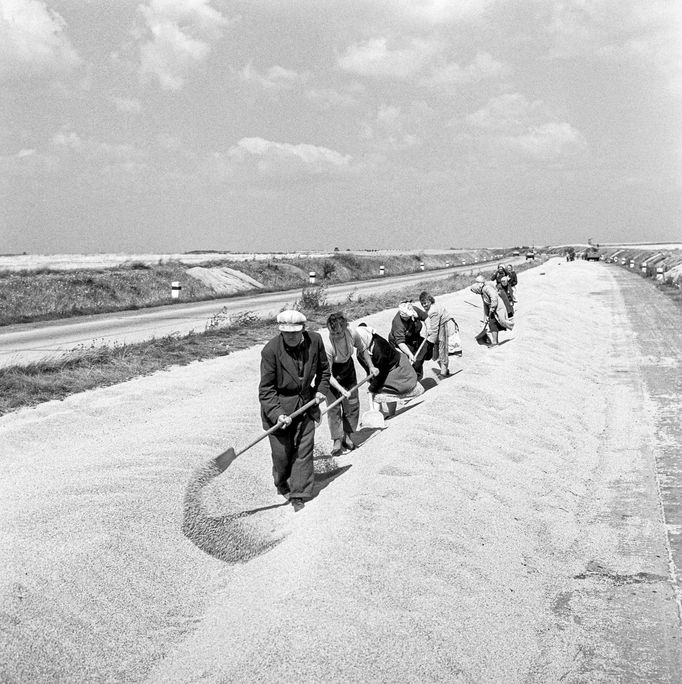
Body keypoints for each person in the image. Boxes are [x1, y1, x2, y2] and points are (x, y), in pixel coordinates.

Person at [258, 310, 330, 512]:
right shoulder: (270, 351)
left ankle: (299, 492)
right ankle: (282, 482)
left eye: (294, 333)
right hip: (280, 407)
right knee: (282, 455)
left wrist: (320, 391)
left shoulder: (315, 341)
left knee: (303, 450)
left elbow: (324, 370)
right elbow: (266, 389)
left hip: (307, 404)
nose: (290, 337)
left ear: (303, 330)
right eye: (286, 333)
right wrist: (278, 413)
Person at [323, 312, 377, 456]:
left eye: (339, 333)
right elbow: (328, 375)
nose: (335, 335)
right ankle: (337, 440)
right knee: (334, 408)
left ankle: (347, 435)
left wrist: (371, 366)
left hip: (348, 369)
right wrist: (341, 390)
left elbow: (362, 349)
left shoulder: (352, 333)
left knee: (352, 404)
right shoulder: (327, 345)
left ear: (345, 327)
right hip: (332, 374)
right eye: (332, 333)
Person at [362, 325, 424, 417]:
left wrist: (372, 388)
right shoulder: (360, 353)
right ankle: (379, 416)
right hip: (383, 370)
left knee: (385, 392)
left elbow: (382, 369)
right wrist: (370, 379)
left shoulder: (379, 346)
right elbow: (367, 367)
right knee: (378, 394)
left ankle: (391, 414)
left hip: (394, 369)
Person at [418, 291, 462, 377]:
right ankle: (445, 369)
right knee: (436, 354)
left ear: (430, 301)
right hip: (440, 327)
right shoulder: (429, 309)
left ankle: (443, 374)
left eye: (425, 303)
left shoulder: (433, 311)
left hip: (445, 327)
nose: (424, 305)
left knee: (443, 349)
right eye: (422, 303)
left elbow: (434, 330)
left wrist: (430, 343)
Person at [388, 300, 429, 380]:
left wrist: (429, 328)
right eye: (407, 316)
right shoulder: (398, 323)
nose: (409, 317)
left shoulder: (414, 309)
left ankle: (417, 375)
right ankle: (412, 379)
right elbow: (400, 342)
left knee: (425, 348)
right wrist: (410, 354)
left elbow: (425, 317)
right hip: (402, 343)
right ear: (403, 315)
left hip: (414, 337)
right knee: (412, 360)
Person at [470, 277, 513, 346]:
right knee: (492, 323)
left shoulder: (487, 288)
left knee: (499, 322)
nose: (476, 293)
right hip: (492, 309)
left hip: (498, 307)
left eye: (475, 291)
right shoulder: (482, 292)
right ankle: (495, 342)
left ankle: (496, 341)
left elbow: (494, 297)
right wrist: (486, 315)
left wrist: (492, 307)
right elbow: (485, 305)